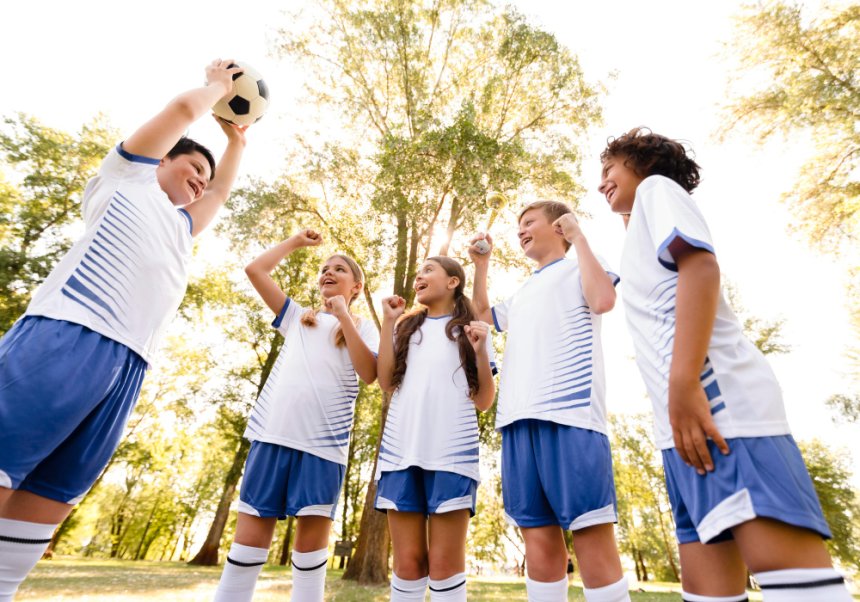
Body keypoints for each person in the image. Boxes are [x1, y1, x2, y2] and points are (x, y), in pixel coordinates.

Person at [0, 59, 248, 600]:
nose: (201, 181)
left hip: (126, 371)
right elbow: (180, 110)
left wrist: (237, 142)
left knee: (44, 507)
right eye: (193, 167)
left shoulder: (182, 226)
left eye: (204, 178)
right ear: (162, 157)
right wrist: (217, 87)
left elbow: (221, 194)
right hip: (66, 336)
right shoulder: (125, 177)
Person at [598, 127, 852, 602]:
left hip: (721, 411)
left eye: (609, 168)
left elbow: (701, 266)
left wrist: (683, 382)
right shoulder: (637, 234)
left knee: (791, 578)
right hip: (679, 430)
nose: (601, 182)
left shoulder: (657, 189)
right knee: (707, 590)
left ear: (641, 162)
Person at [470, 202, 630, 602]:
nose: (520, 231)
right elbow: (482, 314)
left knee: (591, 536)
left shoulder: (582, 265)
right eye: (518, 226)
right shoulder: (523, 291)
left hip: (570, 417)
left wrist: (579, 236)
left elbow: (603, 300)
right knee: (538, 541)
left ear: (558, 227)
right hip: (516, 421)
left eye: (529, 222)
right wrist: (481, 266)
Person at [213, 230, 378, 602]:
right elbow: (255, 270)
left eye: (339, 269)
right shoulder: (297, 317)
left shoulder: (364, 328)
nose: (328, 272)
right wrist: (295, 243)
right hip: (271, 437)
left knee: (308, 557)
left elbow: (370, 373)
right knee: (246, 549)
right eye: (324, 268)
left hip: (323, 450)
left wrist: (344, 317)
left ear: (356, 287)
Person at [375, 256, 496, 602]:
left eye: (428, 270)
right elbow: (386, 382)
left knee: (444, 566)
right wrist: (388, 322)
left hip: (452, 458)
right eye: (418, 272)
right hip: (399, 455)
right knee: (408, 565)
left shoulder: (472, 330)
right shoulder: (404, 326)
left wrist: (481, 352)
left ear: (453, 281)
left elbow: (484, 400)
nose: (419, 276)